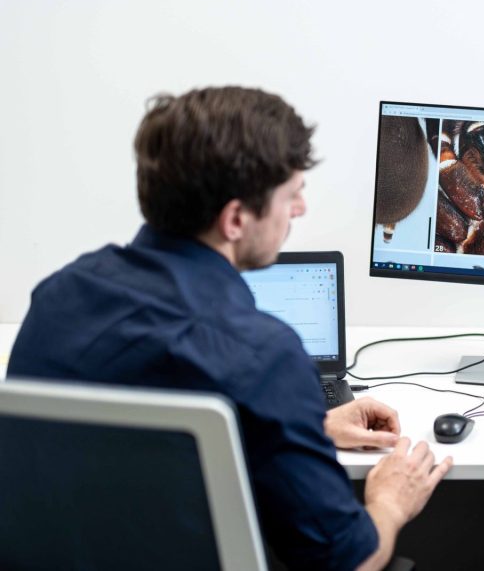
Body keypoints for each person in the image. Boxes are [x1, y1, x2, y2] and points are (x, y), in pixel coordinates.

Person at [8, 87, 452, 571]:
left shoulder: (58, 297)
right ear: (236, 219)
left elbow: (129, 458)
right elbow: (350, 561)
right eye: (292, 194)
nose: (299, 209)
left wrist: (306, 430)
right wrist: (389, 500)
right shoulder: (264, 354)